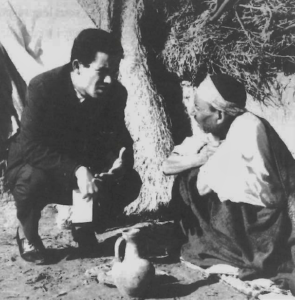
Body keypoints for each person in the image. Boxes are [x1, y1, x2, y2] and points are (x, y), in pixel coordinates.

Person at [5, 28, 141, 264]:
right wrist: (77, 169)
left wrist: (122, 157)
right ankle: (27, 233)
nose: (110, 80)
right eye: (102, 72)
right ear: (77, 66)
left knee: (129, 182)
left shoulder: (116, 94)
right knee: (31, 180)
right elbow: (31, 147)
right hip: (38, 166)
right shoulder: (43, 88)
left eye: (115, 72)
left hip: (82, 169)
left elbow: (118, 134)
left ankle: (83, 225)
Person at [163, 74, 295, 280]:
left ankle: (211, 245)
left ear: (220, 115)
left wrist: (197, 166)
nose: (191, 112)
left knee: (188, 180)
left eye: (197, 108)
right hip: (263, 216)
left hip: (264, 227)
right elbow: (167, 166)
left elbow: (203, 186)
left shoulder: (246, 130)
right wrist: (200, 158)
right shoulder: (235, 126)